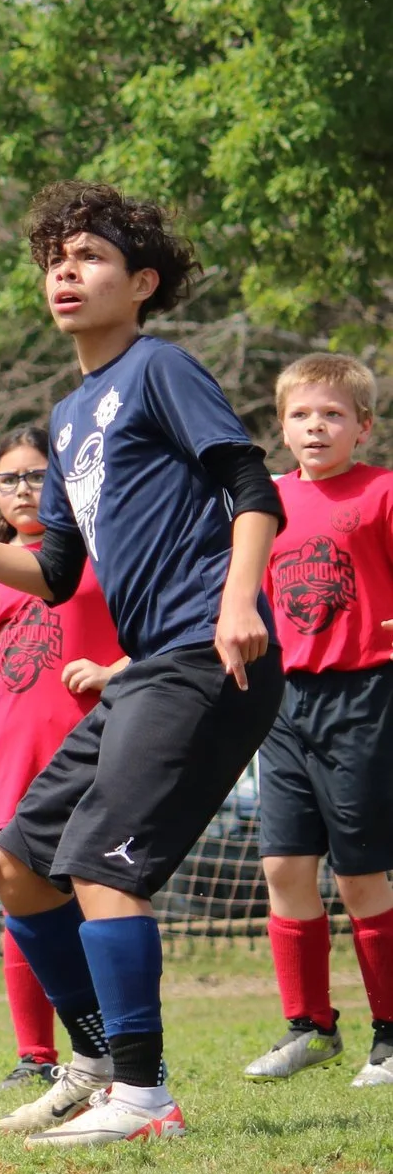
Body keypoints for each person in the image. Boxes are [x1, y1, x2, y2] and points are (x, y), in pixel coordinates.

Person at [0, 182, 285, 1149]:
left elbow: (250, 482)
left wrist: (241, 599)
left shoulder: (159, 368)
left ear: (141, 281)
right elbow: (56, 572)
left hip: (206, 649)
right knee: (17, 865)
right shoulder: (68, 414)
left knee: (102, 857)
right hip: (151, 667)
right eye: (54, 261)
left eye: (91, 258)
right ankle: (104, 1061)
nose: (66, 273)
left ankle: (145, 1098)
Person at [0, 424, 126, 1090]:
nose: (21, 489)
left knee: (99, 900)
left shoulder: (103, 551)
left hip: (97, 754)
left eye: (35, 474)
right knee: (19, 899)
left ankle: (121, 1046)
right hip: (16, 764)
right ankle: (36, 1054)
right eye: (7, 478)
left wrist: (114, 670)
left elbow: (155, 636)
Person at [239, 355, 393, 1086]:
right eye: (303, 414)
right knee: (283, 865)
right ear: (282, 425)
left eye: (333, 414)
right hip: (284, 703)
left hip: (365, 696)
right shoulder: (262, 503)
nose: (316, 426)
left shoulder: (383, 491)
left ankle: (390, 1036)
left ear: (362, 427)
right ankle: (310, 1025)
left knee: (361, 876)